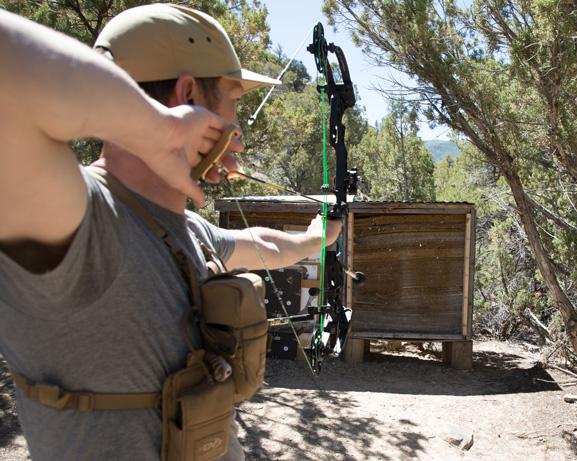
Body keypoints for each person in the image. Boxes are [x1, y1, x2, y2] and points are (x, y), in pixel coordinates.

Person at [0, 5, 339, 460]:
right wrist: (155, 128)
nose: (237, 129)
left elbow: (262, 245)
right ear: (187, 94)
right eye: (233, 102)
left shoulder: (181, 227)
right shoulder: (84, 219)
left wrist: (319, 237)